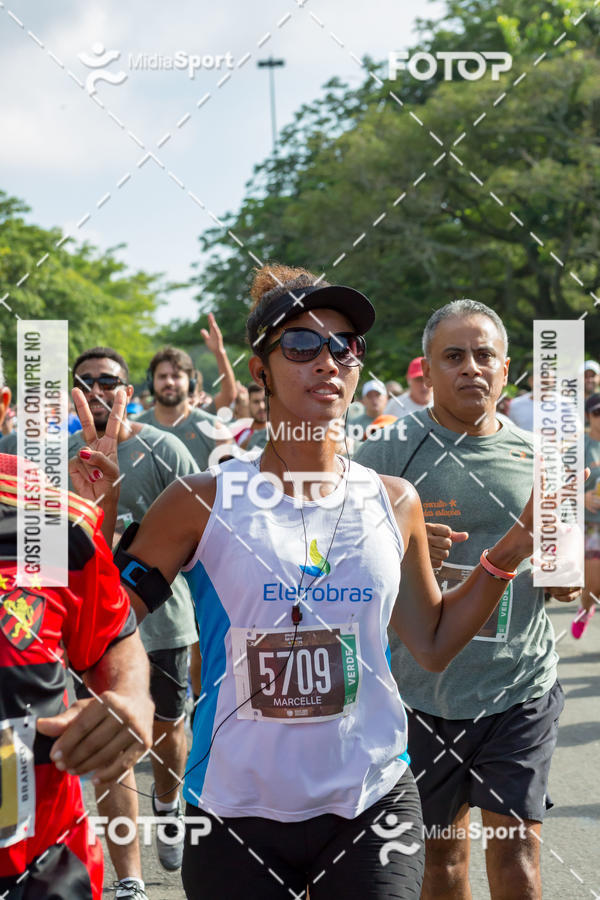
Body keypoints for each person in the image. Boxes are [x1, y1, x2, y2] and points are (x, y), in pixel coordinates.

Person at [98, 266, 542, 900]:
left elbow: (434, 642)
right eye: (301, 346)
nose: (327, 361)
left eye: (343, 346)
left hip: (372, 799)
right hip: (234, 806)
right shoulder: (200, 500)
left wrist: (511, 551)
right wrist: (94, 524)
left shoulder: (395, 501)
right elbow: (103, 618)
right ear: (260, 372)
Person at [355, 299, 582, 900]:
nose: (471, 369)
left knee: (519, 862)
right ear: (427, 370)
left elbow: (565, 580)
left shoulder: (546, 454)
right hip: (419, 695)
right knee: (442, 865)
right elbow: (330, 551)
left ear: (506, 370)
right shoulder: (383, 454)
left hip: (519, 687)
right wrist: (394, 540)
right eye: (453, 357)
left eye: (485, 356)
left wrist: (566, 574)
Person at [0, 373, 153, 900]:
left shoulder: (51, 517)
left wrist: (132, 696)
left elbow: (110, 636)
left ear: (2, 405)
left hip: (39, 864)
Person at [70, 347, 200, 900]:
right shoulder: (47, 454)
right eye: (89, 380)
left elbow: (203, 523)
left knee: (170, 738)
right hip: (90, 628)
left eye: (112, 381)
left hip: (162, 623)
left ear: (129, 391)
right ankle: (130, 879)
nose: (100, 388)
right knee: (113, 744)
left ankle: (168, 802)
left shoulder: (163, 447)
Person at [136, 346, 230, 469]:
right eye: (162, 376)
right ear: (151, 382)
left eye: (176, 376)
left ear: (191, 383)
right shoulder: (134, 428)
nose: (169, 382)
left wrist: (219, 352)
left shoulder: (214, 430)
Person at [571, 392, 600, 638]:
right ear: (589, 416)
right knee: (593, 584)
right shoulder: (579, 448)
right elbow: (559, 488)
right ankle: (585, 608)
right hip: (592, 525)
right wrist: (583, 498)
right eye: (597, 413)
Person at [239, 383, 268, 449]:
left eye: (264, 400)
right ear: (248, 403)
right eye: (256, 402)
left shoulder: (278, 432)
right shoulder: (240, 435)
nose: (262, 406)